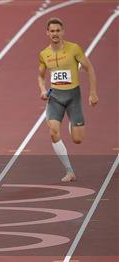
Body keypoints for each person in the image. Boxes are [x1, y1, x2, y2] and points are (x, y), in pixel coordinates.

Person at [38, 17, 98, 182]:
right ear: (48, 33)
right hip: (55, 97)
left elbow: (90, 68)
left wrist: (93, 93)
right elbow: (41, 76)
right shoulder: (44, 54)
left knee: (78, 139)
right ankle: (69, 171)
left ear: (63, 32)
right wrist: (43, 90)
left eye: (58, 31)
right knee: (53, 131)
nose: (55, 34)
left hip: (73, 96)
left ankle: (73, 121)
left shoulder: (74, 49)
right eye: (52, 31)